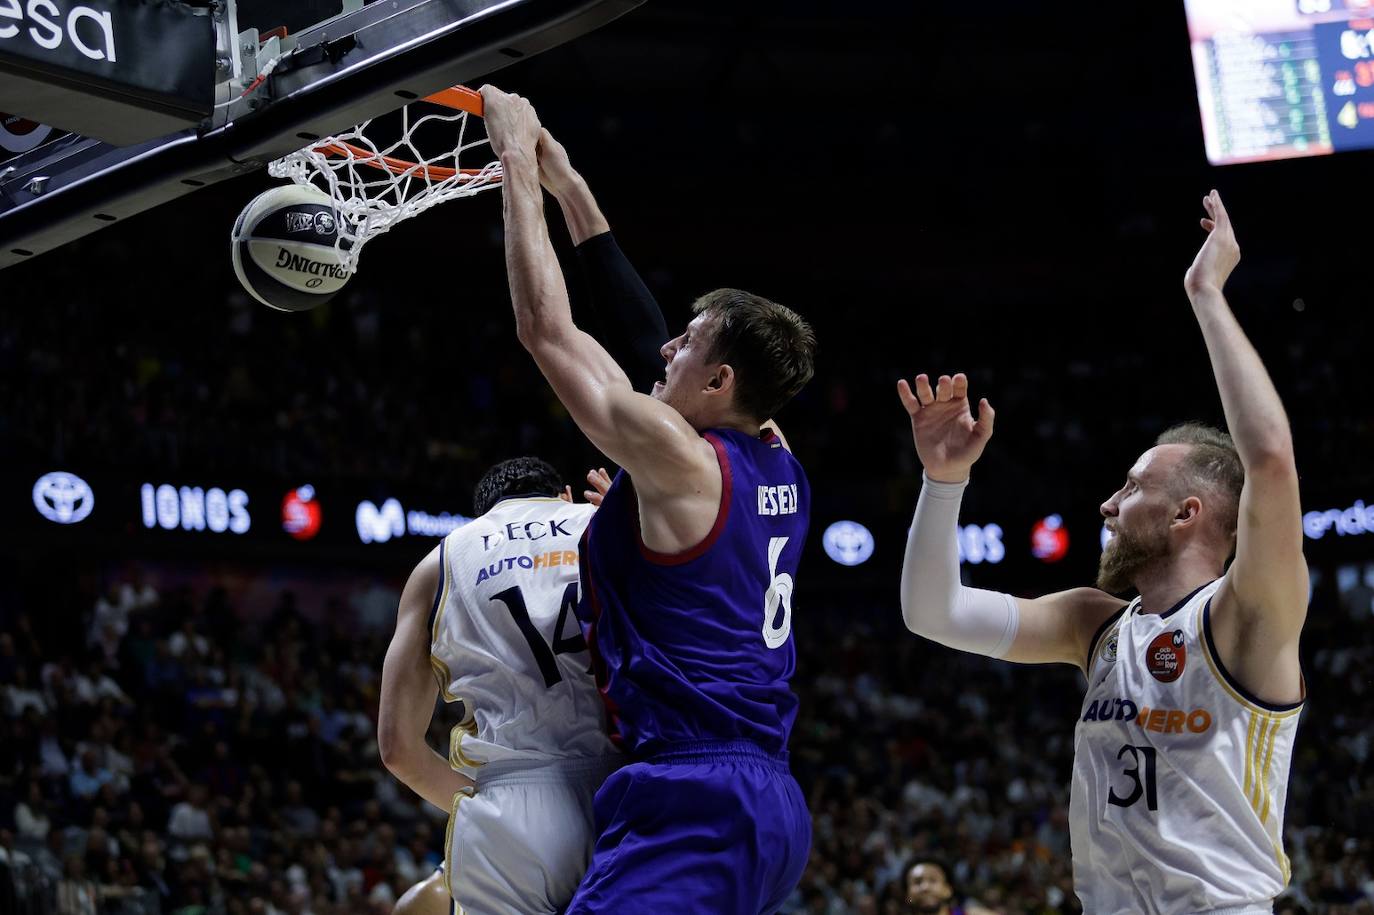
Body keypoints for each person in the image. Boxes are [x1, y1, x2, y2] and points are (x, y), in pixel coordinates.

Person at [897, 191, 1306, 913]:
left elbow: (1269, 459)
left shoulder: (1245, 616)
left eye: (1131, 485)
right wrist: (943, 481)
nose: (1107, 504)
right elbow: (935, 612)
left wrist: (1205, 292)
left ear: (1189, 512)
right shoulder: (1094, 624)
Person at [481, 84, 817, 914]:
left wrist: (517, 162)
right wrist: (573, 190)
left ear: (720, 379)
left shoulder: (683, 461)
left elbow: (547, 332)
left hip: (695, 791)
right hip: (763, 796)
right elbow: (643, 344)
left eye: (690, 340)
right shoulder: (777, 453)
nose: (666, 345)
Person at [381, 128, 678, 915]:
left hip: (508, 793)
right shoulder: (602, 521)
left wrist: (477, 803)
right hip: (627, 784)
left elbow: (397, 746)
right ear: (556, 493)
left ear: (486, 511)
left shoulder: (441, 560)